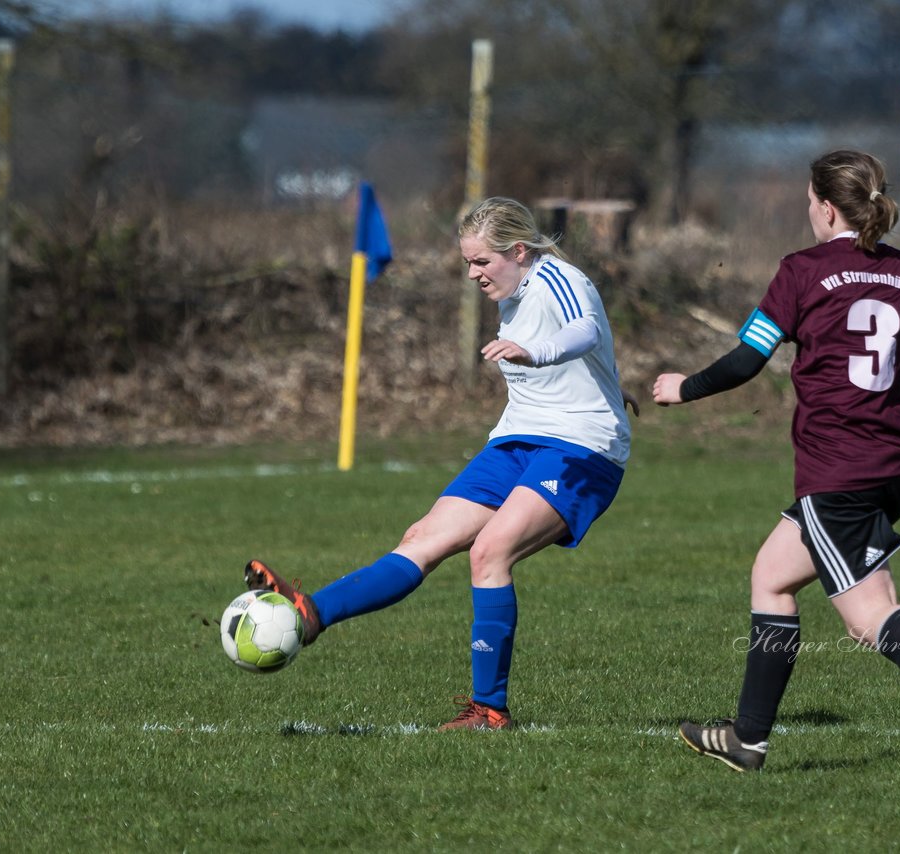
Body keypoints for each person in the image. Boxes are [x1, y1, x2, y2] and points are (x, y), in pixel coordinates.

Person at [652, 149, 900, 771]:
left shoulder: (801, 271)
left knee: (869, 617)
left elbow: (748, 360)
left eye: (810, 201)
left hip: (839, 470)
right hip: (897, 466)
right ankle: (747, 739)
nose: (808, 211)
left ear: (827, 207)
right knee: (772, 575)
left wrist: (683, 388)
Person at [246, 196, 636, 730]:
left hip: (582, 448)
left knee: (490, 552)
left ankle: (489, 710)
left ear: (518, 251)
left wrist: (535, 353)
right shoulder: (512, 289)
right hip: (517, 439)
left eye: (481, 262)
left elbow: (585, 331)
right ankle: (313, 613)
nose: (473, 274)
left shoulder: (557, 279)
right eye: (467, 263)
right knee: (420, 539)